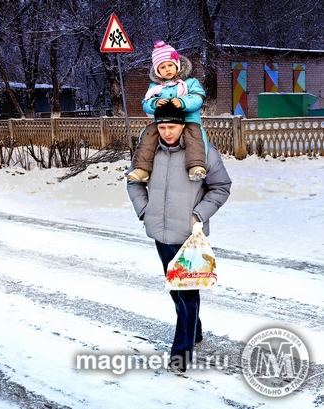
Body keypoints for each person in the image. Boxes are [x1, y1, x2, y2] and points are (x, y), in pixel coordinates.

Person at [126, 102, 231, 374]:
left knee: (186, 292)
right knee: (177, 289)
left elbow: (221, 187)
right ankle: (194, 332)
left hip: (188, 236)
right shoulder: (148, 152)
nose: (167, 132)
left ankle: (181, 353)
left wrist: (198, 215)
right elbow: (134, 181)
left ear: (183, 125)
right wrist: (144, 210)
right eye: (161, 127)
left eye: (172, 126)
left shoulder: (203, 152)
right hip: (160, 233)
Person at [128, 40, 208, 183]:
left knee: (194, 136)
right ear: (158, 71)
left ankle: (196, 165)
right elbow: (145, 103)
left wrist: (183, 101)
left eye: (170, 65)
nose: (167, 69)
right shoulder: (155, 87)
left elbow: (198, 97)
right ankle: (142, 168)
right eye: (162, 67)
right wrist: (154, 103)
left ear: (177, 65)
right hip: (163, 122)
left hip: (188, 121)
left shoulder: (190, 82)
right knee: (148, 134)